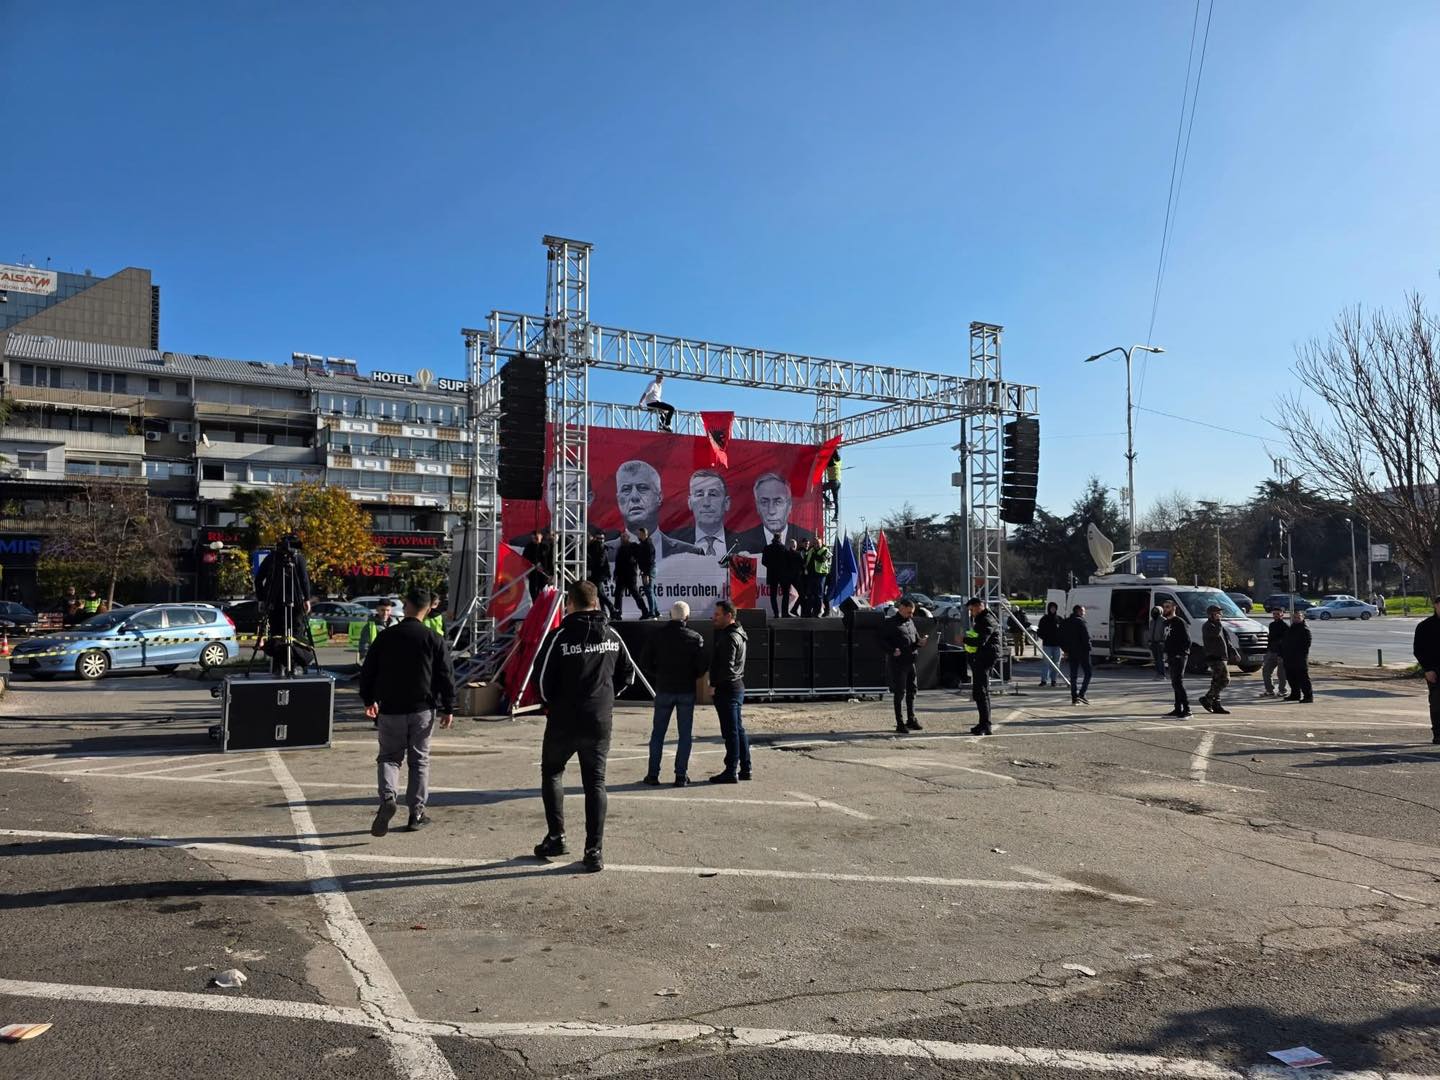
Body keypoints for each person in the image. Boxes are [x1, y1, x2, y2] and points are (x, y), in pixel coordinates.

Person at [533, 580, 636, 872]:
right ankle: (594, 851)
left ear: (571, 603)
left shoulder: (559, 636)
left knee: (552, 772)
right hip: (598, 720)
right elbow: (627, 675)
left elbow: (540, 681)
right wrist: (605, 699)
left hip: (564, 719)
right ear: (596, 602)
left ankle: (556, 837)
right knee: (596, 783)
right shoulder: (613, 635)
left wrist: (552, 703)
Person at [360, 588, 455, 837]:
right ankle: (416, 813)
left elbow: (369, 670)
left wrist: (369, 699)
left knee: (389, 757)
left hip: (390, 707)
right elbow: (445, 675)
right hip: (422, 708)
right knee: (419, 760)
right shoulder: (433, 638)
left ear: (406, 606)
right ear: (427, 609)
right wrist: (448, 706)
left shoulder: (387, 636)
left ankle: (388, 797)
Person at [641, 601, 707, 786]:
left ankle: (653, 774)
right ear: (687, 617)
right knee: (685, 735)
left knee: (658, 733)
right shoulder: (695, 638)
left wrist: (658, 673)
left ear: (670, 615)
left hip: (664, 688)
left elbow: (645, 661)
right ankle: (680, 775)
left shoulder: (657, 636)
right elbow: (702, 666)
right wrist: (692, 675)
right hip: (686, 689)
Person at [604, 460, 702, 562]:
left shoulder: (691, 554)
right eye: (626, 489)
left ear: (659, 497)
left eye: (642, 488)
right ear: (618, 499)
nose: (634, 496)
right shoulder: (602, 553)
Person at [708, 599, 751, 783]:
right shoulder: (737, 634)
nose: (714, 617)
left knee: (731, 731)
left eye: (717, 615)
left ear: (729, 616)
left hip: (728, 688)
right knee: (737, 730)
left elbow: (727, 666)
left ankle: (731, 770)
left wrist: (714, 684)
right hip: (735, 686)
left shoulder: (729, 637)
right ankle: (745, 768)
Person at [733, 472, 817, 552]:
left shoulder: (808, 536)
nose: (771, 511)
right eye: (764, 502)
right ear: (757, 506)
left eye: (778, 502)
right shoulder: (743, 540)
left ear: (789, 505)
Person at [883, 597, 926, 732]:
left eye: (912, 612)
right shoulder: (890, 623)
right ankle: (900, 722)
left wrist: (920, 642)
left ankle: (911, 719)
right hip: (898, 663)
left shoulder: (910, 622)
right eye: (908, 612)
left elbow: (915, 638)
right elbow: (880, 640)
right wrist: (891, 650)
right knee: (900, 692)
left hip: (911, 661)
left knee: (912, 691)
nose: (911, 615)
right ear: (901, 609)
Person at [671, 469, 731, 556]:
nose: (706, 503)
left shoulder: (749, 545)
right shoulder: (671, 545)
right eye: (699, 495)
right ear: (690, 503)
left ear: (726, 503)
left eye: (713, 494)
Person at [965, 597, 1001, 735]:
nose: (971, 613)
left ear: (979, 606)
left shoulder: (987, 619)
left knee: (982, 691)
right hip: (980, 656)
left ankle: (986, 724)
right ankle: (982, 723)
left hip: (986, 657)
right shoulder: (981, 619)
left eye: (972, 610)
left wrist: (964, 639)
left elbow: (981, 640)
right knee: (978, 692)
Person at [1412, 597, 1440, 744]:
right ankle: (1438, 733)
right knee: (1437, 703)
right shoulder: (1425, 626)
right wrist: (1427, 669)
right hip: (1435, 669)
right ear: (1435, 605)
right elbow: (1418, 650)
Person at [1198, 604, 1233, 715]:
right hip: (1214, 657)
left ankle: (1216, 704)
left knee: (1217, 681)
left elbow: (1227, 641)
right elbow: (1215, 634)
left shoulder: (1219, 625)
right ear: (1211, 614)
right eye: (1217, 613)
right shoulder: (1208, 626)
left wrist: (1234, 652)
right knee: (1225, 680)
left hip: (1222, 656)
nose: (1220, 615)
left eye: (1220, 613)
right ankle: (1207, 698)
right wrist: (1218, 622)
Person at [1161, 598, 1192, 718]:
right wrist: (1165, 653)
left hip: (1179, 655)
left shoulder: (1179, 622)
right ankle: (1177, 708)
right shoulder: (1165, 623)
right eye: (1164, 607)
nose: (1165, 609)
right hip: (1170, 655)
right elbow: (1167, 640)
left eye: (1168, 606)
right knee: (1174, 683)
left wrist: (1181, 653)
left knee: (1178, 682)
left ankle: (1187, 709)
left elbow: (1187, 640)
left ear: (1174, 608)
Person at [1060, 604, 1093, 706]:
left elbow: (1060, 637)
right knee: (1088, 673)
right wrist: (1089, 648)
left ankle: (1074, 698)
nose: (1084, 613)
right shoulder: (1081, 622)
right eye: (1083, 611)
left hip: (1071, 652)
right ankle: (1081, 694)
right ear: (1078, 611)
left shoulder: (1065, 622)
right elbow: (1085, 637)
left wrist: (1065, 650)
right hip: (1082, 651)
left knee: (1073, 676)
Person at [1281, 609, 1313, 704]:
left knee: (1303, 678)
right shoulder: (1291, 628)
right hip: (1289, 658)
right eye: (1294, 617)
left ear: (1302, 618)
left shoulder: (1305, 630)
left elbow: (1306, 645)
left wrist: (1297, 653)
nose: (1296, 619)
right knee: (1291, 677)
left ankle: (1308, 696)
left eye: (1298, 617)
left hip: (1299, 659)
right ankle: (1295, 694)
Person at [586, 526, 619, 620]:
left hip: (597, 574)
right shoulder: (593, 546)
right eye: (599, 538)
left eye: (602, 538)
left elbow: (601, 562)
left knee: (600, 594)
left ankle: (612, 610)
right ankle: (605, 612)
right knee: (600, 594)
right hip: (596, 574)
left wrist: (591, 568)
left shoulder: (597, 546)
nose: (600, 540)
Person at [613, 532, 647, 620]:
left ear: (628, 537)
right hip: (621, 576)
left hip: (630, 575)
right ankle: (617, 613)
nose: (622, 539)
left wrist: (635, 560)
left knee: (635, 593)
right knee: (618, 594)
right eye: (621, 537)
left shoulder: (634, 546)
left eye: (624, 537)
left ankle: (645, 611)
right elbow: (617, 563)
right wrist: (615, 574)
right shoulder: (620, 548)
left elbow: (640, 555)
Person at [1260, 607, 1288, 699]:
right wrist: (1267, 650)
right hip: (1271, 652)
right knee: (1266, 671)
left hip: (1281, 653)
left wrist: (1281, 654)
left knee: (1281, 673)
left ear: (1282, 615)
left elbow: (1285, 642)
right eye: (1274, 614)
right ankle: (1269, 690)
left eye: (1278, 614)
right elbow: (1270, 639)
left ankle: (1282, 691)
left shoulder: (1285, 626)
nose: (1276, 615)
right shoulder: (1272, 625)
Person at [635, 526, 660, 619]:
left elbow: (649, 561)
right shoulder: (643, 544)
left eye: (640, 534)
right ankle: (656, 611)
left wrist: (646, 574)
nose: (639, 536)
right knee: (650, 591)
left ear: (645, 534)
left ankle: (652, 612)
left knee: (649, 591)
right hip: (646, 570)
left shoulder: (648, 545)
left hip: (648, 571)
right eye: (638, 534)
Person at [762, 534, 790, 618]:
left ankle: (776, 614)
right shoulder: (783, 548)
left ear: (773, 538)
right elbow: (788, 562)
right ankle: (784, 613)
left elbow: (763, 561)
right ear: (780, 538)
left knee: (773, 595)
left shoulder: (767, 548)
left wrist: (771, 566)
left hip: (772, 574)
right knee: (786, 593)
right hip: (782, 574)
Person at [1036, 601, 1063, 687]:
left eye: (1054, 608)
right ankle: (1044, 680)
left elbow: (1064, 631)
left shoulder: (1059, 619)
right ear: (1049, 608)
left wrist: (1061, 640)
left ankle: (1054, 680)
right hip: (1047, 644)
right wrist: (1045, 637)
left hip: (1057, 645)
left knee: (1056, 663)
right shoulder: (1044, 619)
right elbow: (1039, 631)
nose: (1053, 609)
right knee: (1046, 663)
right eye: (1051, 608)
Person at [521, 529, 551, 601]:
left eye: (536, 538)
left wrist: (544, 567)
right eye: (533, 538)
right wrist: (532, 565)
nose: (534, 540)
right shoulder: (529, 547)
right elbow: (524, 560)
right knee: (534, 593)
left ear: (541, 536)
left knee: (545, 593)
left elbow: (550, 559)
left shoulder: (545, 546)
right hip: (533, 574)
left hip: (544, 575)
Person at [785, 538, 805, 617]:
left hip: (786, 577)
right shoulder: (798, 554)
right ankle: (795, 609)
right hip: (796, 577)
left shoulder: (785, 554)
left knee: (786, 596)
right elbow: (803, 564)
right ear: (794, 545)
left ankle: (785, 613)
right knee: (802, 594)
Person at [1146, 605, 1167, 679]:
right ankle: (1158, 673)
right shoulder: (1152, 621)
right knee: (1155, 659)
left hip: (1160, 642)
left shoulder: (1163, 620)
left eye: (1156, 611)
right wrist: (1149, 640)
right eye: (1154, 611)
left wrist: (1163, 641)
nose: (1155, 612)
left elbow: (1165, 632)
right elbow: (1150, 631)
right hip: (1153, 642)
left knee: (1160, 659)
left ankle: (1162, 674)